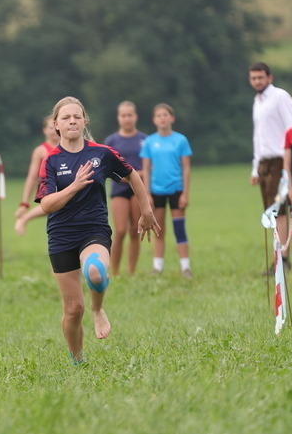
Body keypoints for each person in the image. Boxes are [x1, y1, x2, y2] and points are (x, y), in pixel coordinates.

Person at [36, 96, 158, 366]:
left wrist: (146, 211)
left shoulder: (102, 153)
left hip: (94, 230)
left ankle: (98, 308)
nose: (72, 121)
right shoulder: (51, 160)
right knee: (72, 310)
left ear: (84, 121)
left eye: (76, 116)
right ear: (56, 125)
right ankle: (78, 362)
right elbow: (46, 204)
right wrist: (75, 185)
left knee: (95, 272)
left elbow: (131, 175)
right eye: (66, 118)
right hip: (61, 236)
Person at [249, 62, 292, 271]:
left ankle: (283, 258)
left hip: (281, 159)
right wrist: (255, 167)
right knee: (272, 211)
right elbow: (258, 137)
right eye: (254, 78)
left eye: (261, 77)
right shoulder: (257, 101)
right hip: (265, 163)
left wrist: (289, 163)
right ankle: (281, 257)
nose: (257, 81)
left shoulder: (280, 97)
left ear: (270, 77)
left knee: (281, 209)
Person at [140, 103, 193, 278]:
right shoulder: (149, 142)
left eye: (165, 115)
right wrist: (147, 193)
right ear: (154, 120)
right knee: (159, 230)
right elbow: (146, 169)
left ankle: (185, 267)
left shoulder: (181, 140)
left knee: (179, 228)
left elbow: (186, 167)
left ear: (172, 118)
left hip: (176, 189)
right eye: (159, 115)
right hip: (156, 191)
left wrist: (185, 193)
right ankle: (157, 267)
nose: (162, 118)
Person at [104, 101, 147, 275]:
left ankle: (131, 271)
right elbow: (107, 167)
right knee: (120, 230)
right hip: (119, 189)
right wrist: (123, 176)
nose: (127, 119)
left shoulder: (145, 140)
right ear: (118, 118)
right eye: (123, 115)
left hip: (138, 189)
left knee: (135, 230)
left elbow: (150, 168)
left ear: (135, 117)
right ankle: (114, 271)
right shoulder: (111, 141)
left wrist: (136, 175)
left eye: (130, 115)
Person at [14, 115, 60, 235]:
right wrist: (24, 203)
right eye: (50, 128)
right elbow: (32, 177)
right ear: (44, 130)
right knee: (52, 203)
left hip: (66, 186)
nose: (54, 131)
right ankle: (24, 219)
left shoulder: (68, 147)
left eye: (56, 128)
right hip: (49, 187)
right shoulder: (40, 151)